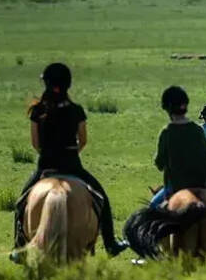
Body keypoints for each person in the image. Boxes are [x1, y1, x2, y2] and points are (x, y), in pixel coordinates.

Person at [11, 62, 128, 260]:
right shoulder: (76, 110)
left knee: (21, 204)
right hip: (72, 166)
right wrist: (71, 152)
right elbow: (83, 140)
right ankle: (111, 244)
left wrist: (48, 152)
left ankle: (19, 247)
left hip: (46, 167)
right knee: (103, 199)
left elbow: (35, 143)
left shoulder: (38, 111)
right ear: (68, 84)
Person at [151, 86, 206, 208]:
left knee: (153, 206)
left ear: (168, 109)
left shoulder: (167, 132)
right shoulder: (198, 130)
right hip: (200, 187)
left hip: (175, 187)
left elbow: (159, 164)